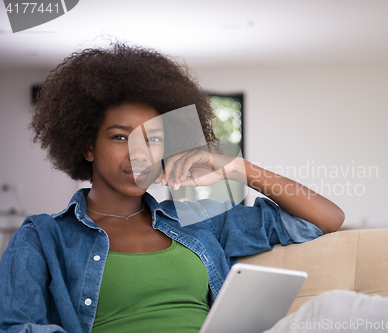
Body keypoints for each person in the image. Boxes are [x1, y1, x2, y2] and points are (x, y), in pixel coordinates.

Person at [0, 42, 344, 333]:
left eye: (155, 139)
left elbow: (326, 219)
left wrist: (236, 167)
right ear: (87, 146)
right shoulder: (42, 237)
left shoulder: (200, 221)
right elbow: (15, 326)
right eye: (121, 136)